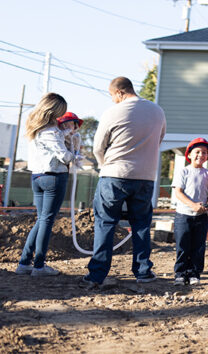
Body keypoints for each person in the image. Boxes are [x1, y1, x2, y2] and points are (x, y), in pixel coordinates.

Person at [83, 76, 166, 289]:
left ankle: (97, 275)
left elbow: (98, 147)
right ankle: (143, 271)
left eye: (113, 96)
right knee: (141, 224)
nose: (113, 100)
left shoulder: (113, 112)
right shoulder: (157, 111)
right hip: (145, 177)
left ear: (120, 92)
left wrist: (105, 165)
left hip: (114, 175)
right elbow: (159, 139)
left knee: (106, 223)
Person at [15, 93, 74, 276]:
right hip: (54, 178)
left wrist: (66, 133)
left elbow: (49, 145)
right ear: (54, 110)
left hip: (37, 177)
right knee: (47, 221)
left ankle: (24, 263)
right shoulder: (52, 131)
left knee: (41, 220)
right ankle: (39, 266)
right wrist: (76, 155)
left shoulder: (35, 128)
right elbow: (63, 155)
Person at [172, 137, 208, 285]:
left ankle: (194, 273)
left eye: (204, 152)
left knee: (198, 246)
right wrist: (192, 205)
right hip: (183, 215)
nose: (201, 155)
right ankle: (180, 273)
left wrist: (207, 204)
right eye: (197, 151)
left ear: (207, 156)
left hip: (201, 217)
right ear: (190, 154)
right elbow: (178, 192)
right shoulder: (183, 172)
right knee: (182, 245)